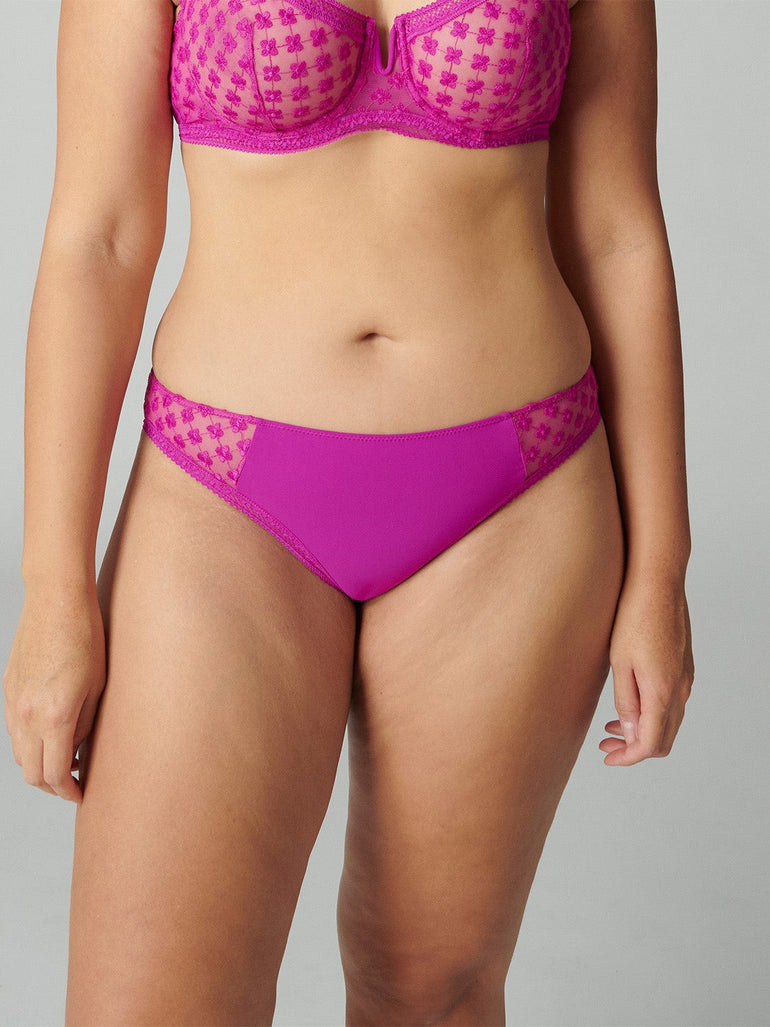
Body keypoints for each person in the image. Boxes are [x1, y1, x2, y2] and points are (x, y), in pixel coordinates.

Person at [3, 0, 695, 1022]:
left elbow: (616, 232)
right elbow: (96, 241)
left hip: (515, 494)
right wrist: (53, 587)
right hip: (222, 492)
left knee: (433, 992)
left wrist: (662, 570)